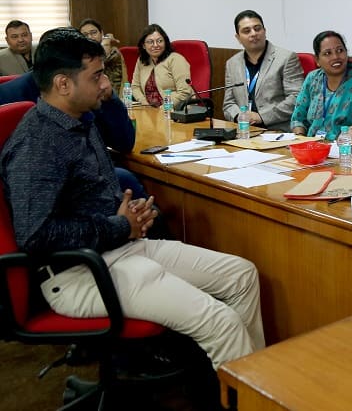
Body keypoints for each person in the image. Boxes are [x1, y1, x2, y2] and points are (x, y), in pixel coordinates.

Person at [0, 29, 265, 370]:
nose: (105, 84)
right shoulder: (37, 144)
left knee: (241, 275)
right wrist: (119, 225)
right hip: (78, 272)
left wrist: (128, 218)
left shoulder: (80, 119)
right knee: (221, 321)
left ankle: (243, 385)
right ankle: (244, 388)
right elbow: (36, 235)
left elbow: (104, 171)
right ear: (63, 84)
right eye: (96, 77)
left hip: (117, 248)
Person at [290, 30, 352, 139]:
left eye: (340, 50)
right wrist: (300, 138)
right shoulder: (313, 79)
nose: (335, 57)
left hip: (347, 147)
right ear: (317, 60)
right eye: (327, 53)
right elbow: (298, 118)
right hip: (311, 145)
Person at [223, 10, 303, 132]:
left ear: (264, 31)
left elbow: (297, 99)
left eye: (257, 29)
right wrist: (240, 116)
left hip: (277, 131)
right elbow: (229, 103)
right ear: (238, 38)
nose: (253, 33)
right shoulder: (232, 63)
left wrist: (261, 116)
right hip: (244, 131)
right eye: (247, 31)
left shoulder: (286, 58)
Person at [130, 23, 193, 107]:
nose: (155, 45)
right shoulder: (142, 61)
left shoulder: (176, 59)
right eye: (150, 42)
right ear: (144, 45)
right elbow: (135, 87)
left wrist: (164, 108)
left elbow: (185, 93)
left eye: (159, 41)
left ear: (165, 43)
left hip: (175, 110)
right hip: (149, 109)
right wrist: (144, 102)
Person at [79, 18, 126, 96]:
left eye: (94, 33)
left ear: (101, 33)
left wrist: (106, 40)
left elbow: (102, 59)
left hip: (110, 97)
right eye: (85, 35)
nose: (90, 37)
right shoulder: (79, 56)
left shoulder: (113, 52)